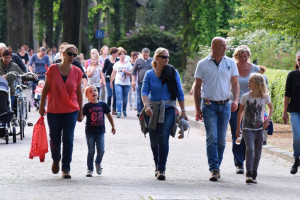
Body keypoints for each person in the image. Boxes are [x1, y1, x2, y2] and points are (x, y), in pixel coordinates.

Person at [194, 37, 239, 181]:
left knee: (221, 141)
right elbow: (196, 87)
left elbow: (235, 84)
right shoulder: (202, 64)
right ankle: (214, 168)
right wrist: (197, 108)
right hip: (209, 105)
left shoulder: (230, 63)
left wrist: (236, 100)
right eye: (222, 46)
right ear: (213, 47)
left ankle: (216, 166)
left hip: (225, 105)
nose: (225, 48)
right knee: (212, 137)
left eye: (226, 46)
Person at [141, 47, 187, 180]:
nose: (167, 59)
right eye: (164, 57)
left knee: (163, 136)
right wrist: (146, 106)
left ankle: (162, 168)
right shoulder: (149, 74)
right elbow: (144, 91)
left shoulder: (173, 72)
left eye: (168, 57)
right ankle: (156, 164)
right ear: (157, 58)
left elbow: (179, 92)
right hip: (153, 108)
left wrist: (183, 110)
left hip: (169, 108)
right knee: (154, 140)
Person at [39, 44, 83, 179]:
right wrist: (41, 106)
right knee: (55, 139)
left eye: (75, 55)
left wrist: (81, 111)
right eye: (70, 54)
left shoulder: (77, 71)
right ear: (62, 53)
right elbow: (45, 89)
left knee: (68, 139)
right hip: (54, 110)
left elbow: (79, 92)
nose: (72, 57)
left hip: (71, 110)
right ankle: (56, 159)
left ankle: (66, 168)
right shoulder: (52, 69)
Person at [236, 73, 273, 183]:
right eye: (249, 81)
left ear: (258, 84)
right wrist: (238, 127)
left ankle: (254, 173)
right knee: (250, 149)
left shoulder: (265, 97)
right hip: (247, 128)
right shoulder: (245, 97)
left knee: (258, 152)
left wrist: (267, 120)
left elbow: (271, 108)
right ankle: (248, 174)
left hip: (259, 129)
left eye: (251, 81)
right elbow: (240, 112)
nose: (249, 83)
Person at [229, 45, 260, 174]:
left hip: (251, 106)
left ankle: (249, 161)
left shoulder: (255, 69)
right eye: (240, 56)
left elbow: (262, 85)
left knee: (249, 133)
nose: (243, 59)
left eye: (245, 56)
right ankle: (239, 163)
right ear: (236, 57)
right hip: (235, 104)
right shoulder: (231, 67)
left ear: (248, 56)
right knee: (237, 133)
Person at [78, 85, 116, 177]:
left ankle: (98, 163)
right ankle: (89, 169)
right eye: (90, 91)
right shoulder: (86, 106)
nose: (93, 92)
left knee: (101, 150)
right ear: (86, 95)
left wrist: (113, 126)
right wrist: (77, 113)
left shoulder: (102, 104)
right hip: (90, 132)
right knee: (91, 151)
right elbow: (81, 119)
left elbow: (109, 115)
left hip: (100, 132)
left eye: (94, 90)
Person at [283, 51, 300, 174]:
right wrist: (284, 112)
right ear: (296, 61)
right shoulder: (292, 75)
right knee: (297, 137)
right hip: (294, 110)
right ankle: (296, 159)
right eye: (299, 59)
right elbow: (287, 95)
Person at [110, 48, 132, 118]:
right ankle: (119, 111)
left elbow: (132, 74)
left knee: (125, 98)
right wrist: (111, 82)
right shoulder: (116, 64)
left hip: (126, 83)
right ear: (118, 56)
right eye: (121, 54)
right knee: (118, 97)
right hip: (118, 82)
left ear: (125, 55)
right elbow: (113, 73)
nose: (122, 55)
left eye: (124, 54)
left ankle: (124, 110)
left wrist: (126, 72)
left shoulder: (128, 64)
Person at [132, 48, 153, 117]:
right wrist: (133, 81)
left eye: (146, 55)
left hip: (150, 82)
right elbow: (133, 72)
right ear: (142, 54)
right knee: (140, 97)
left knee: (149, 97)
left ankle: (148, 109)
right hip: (140, 82)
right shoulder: (138, 61)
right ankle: (139, 111)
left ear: (149, 54)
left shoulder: (152, 60)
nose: (145, 57)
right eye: (144, 55)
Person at [102, 47, 119, 114]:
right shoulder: (107, 60)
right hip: (108, 80)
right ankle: (108, 108)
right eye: (116, 53)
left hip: (116, 80)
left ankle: (114, 109)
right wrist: (103, 79)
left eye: (117, 53)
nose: (117, 54)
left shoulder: (118, 60)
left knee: (115, 95)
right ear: (112, 53)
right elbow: (103, 71)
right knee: (109, 94)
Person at [258, 65, 270, 145]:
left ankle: (264, 139)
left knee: (264, 119)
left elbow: (267, 87)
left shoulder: (264, 77)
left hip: (263, 99)